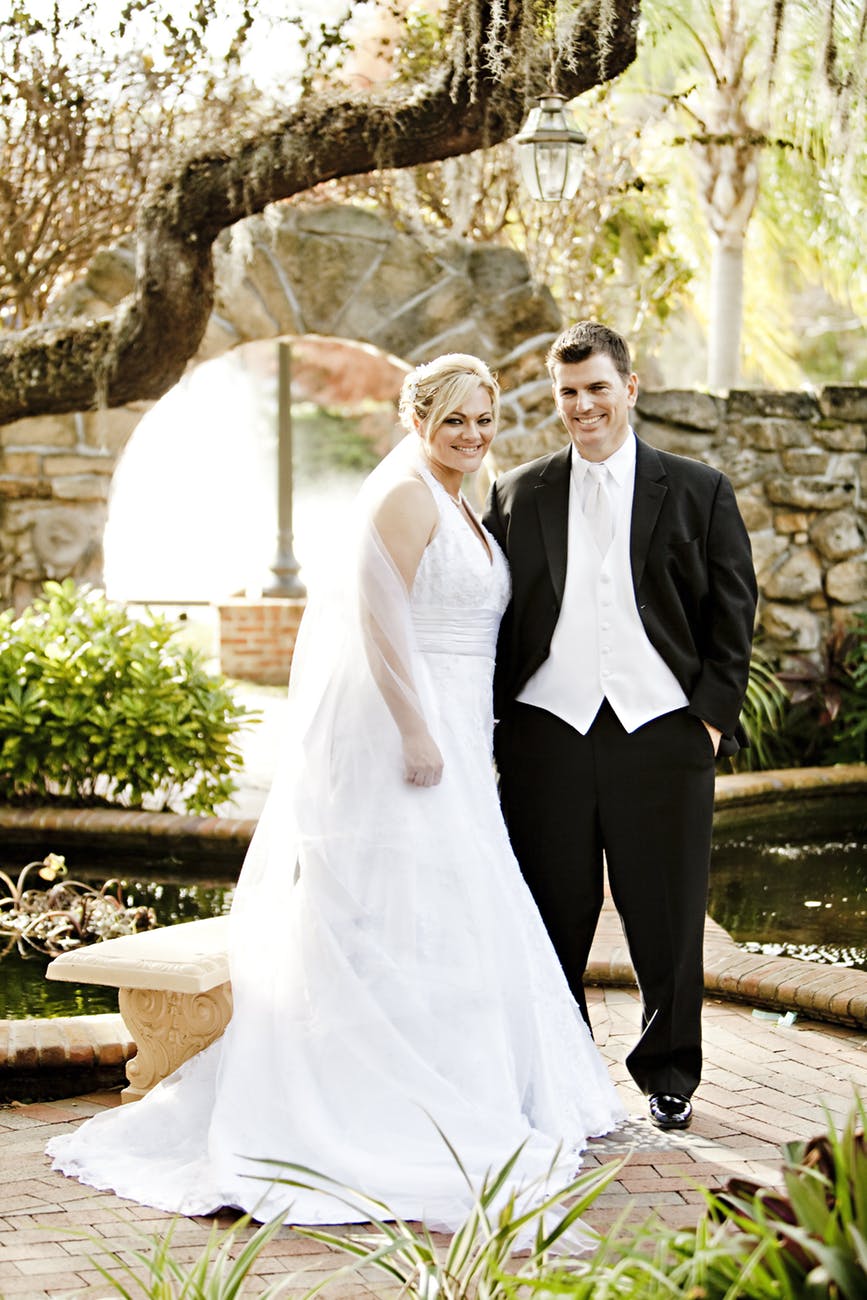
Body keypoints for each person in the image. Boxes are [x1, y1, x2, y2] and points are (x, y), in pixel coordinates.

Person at [47, 354, 625, 1229]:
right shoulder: (402, 497)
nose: (472, 434)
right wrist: (416, 729)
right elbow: (377, 617)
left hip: (465, 734)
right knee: (410, 906)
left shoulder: (465, 503)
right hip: (414, 734)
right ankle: (385, 1097)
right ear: (417, 420)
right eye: (455, 420)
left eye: (484, 419)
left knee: (464, 907)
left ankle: (477, 1080)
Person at [483, 323, 757, 1132]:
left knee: (666, 916)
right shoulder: (518, 492)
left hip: (663, 735)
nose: (582, 406)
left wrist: (706, 722)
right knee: (551, 915)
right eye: (567, 392)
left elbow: (732, 613)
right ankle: (562, 1072)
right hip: (546, 736)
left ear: (628, 389)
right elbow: (496, 620)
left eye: (596, 388)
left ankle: (668, 1072)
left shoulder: (698, 488)